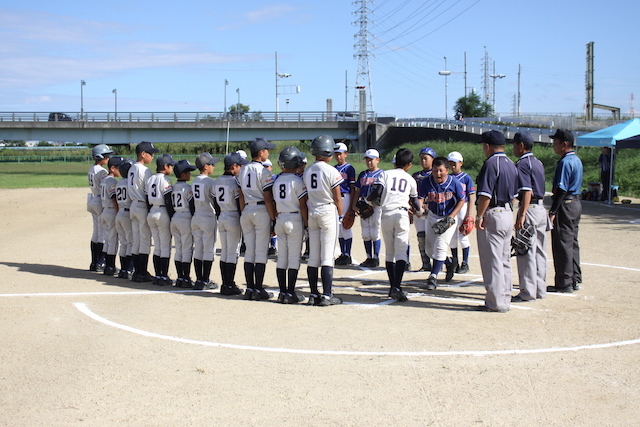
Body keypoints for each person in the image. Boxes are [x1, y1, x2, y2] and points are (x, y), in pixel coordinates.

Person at [367, 148, 420, 302]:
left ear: (395, 161)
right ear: (409, 164)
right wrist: (419, 210)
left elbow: (375, 194)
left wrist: (368, 201)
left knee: (389, 251)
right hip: (402, 214)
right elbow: (415, 202)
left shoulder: (385, 174)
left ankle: (392, 287)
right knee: (401, 251)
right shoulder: (410, 178)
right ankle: (397, 286)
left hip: (386, 213)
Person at [475, 130, 518, 312]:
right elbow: (516, 195)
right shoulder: (511, 163)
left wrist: (479, 216)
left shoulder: (491, 163)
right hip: (507, 212)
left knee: (492, 260)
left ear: (487, 146)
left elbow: (485, 194)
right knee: (504, 259)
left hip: (493, 213)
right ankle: (505, 297)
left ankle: (495, 302)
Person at [303, 135, 344, 306]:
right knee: (327, 255)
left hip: (313, 209)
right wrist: (340, 215)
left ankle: (313, 294)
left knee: (314, 256)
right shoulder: (331, 170)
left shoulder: (308, 169)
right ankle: (327, 295)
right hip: (327, 210)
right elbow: (338, 198)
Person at [418, 156, 465, 290]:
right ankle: (449, 262)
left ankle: (433, 276)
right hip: (432, 216)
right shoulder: (426, 182)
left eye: (441, 170)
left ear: (447, 170)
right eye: (434, 171)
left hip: (448, 217)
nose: (437, 174)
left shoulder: (454, 182)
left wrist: (451, 217)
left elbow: (462, 199)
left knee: (440, 246)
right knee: (429, 250)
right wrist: (419, 208)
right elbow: (421, 198)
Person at [238, 138, 277, 300]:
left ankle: (250, 289)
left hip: (247, 208)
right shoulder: (264, 172)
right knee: (260, 252)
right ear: (260, 152)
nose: (268, 152)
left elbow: (240, 195)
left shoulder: (242, 170)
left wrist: (243, 212)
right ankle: (258, 289)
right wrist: (273, 217)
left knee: (250, 252)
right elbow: (268, 198)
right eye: (266, 150)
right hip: (261, 209)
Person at [511, 132, 548, 302]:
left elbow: (526, 191)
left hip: (530, 208)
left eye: (514, 145)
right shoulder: (538, 162)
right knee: (540, 250)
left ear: (521, 145)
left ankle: (527, 291)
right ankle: (540, 288)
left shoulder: (523, 164)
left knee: (525, 250)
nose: (513, 148)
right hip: (540, 208)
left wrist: (522, 214)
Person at [548, 129, 583, 293]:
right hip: (575, 202)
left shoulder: (564, 162)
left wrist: (553, 211)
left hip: (566, 203)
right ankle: (575, 278)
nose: (554, 146)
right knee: (572, 242)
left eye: (556, 143)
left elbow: (561, 189)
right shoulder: (576, 160)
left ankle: (564, 281)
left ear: (565, 144)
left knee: (562, 243)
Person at [273, 146, 309, 303]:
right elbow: (303, 205)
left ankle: (282, 292)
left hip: (280, 218)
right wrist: (307, 224)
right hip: (294, 219)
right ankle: (290, 293)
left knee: (282, 257)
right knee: (294, 258)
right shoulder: (297, 181)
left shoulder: (277, 180)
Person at [213, 152, 249, 296]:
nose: (241, 168)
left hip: (222, 215)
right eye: (239, 165)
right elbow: (238, 202)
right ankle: (229, 284)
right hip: (233, 215)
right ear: (233, 166)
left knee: (225, 252)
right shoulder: (235, 182)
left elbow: (215, 203)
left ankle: (225, 283)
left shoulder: (217, 181)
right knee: (233, 252)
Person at [128, 141, 160, 282]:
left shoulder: (131, 168)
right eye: (150, 154)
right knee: (145, 241)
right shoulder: (144, 170)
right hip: (141, 205)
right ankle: (142, 272)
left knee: (136, 240)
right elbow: (148, 193)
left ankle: (136, 272)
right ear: (143, 154)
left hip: (133, 205)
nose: (152, 157)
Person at [192, 152, 221, 291]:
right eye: (211, 164)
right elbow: (216, 201)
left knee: (198, 248)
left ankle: (198, 280)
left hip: (196, 215)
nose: (213, 166)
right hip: (208, 216)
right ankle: (206, 279)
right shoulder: (210, 182)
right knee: (209, 249)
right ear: (205, 166)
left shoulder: (195, 180)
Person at [147, 153, 177, 286]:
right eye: (170, 165)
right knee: (164, 246)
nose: (172, 168)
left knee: (157, 246)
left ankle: (158, 275)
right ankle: (163, 276)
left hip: (152, 210)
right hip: (162, 211)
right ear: (165, 166)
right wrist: (172, 216)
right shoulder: (165, 180)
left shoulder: (150, 179)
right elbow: (168, 200)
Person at [353, 148, 383, 268]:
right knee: (365, 233)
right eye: (367, 160)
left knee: (375, 232)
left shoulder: (382, 174)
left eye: (372, 160)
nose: (369, 162)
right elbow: (357, 190)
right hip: (364, 205)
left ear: (378, 160)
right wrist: (354, 205)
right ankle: (369, 257)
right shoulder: (363, 174)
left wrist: (374, 204)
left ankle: (375, 258)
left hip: (376, 206)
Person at [447, 151, 475, 274]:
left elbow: (471, 196)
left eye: (455, 163)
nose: (453, 166)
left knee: (463, 234)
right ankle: (454, 262)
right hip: (451, 208)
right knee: (452, 237)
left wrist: (469, 214)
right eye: (450, 163)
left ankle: (465, 263)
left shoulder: (466, 178)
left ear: (461, 163)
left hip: (463, 207)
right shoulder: (448, 177)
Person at [87, 144, 114, 272]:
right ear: (99, 157)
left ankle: (94, 262)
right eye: (106, 156)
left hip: (93, 199)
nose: (108, 158)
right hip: (100, 201)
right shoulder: (102, 171)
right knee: (102, 233)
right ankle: (100, 262)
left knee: (96, 232)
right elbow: (106, 184)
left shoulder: (92, 168)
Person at [171, 159, 197, 288]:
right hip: (185, 217)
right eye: (188, 172)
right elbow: (192, 205)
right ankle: (185, 278)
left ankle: (180, 277)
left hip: (175, 216)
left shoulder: (173, 187)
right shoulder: (188, 188)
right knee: (186, 248)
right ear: (183, 173)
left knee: (179, 248)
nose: (190, 174)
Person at [412, 147, 437, 271]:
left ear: (433, 159)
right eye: (421, 158)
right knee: (421, 237)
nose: (423, 160)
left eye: (426, 158)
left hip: (433, 211)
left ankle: (439, 262)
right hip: (419, 211)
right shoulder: (416, 176)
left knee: (434, 238)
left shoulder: (437, 175)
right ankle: (425, 264)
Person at [100, 156, 124, 276]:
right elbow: (114, 198)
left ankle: (106, 265)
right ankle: (110, 266)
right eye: (119, 168)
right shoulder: (112, 182)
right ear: (113, 168)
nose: (121, 170)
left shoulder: (104, 179)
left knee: (107, 239)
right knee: (113, 240)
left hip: (104, 210)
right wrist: (118, 211)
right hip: (111, 211)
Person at [333, 142, 357, 266]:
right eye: (336, 154)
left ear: (346, 154)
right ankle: (343, 253)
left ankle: (347, 254)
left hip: (346, 197)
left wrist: (352, 206)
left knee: (345, 225)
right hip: (336, 198)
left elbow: (353, 188)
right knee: (339, 228)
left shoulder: (349, 168)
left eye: (340, 154)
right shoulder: (333, 168)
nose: (338, 157)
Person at [115, 158, 135, 279]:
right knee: (131, 242)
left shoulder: (118, 183)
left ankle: (123, 269)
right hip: (127, 212)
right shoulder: (129, 183)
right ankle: (129, 269)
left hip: (119, 212)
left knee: (123, 243)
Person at [262, 158, 278, 256]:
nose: (266, 168)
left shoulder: (275, 177)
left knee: (273, 227)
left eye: (267, 166)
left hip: (272, 203)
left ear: (271, 167)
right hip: (263, 204)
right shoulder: (261, 176)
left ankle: (273, 246)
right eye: (264, 167)